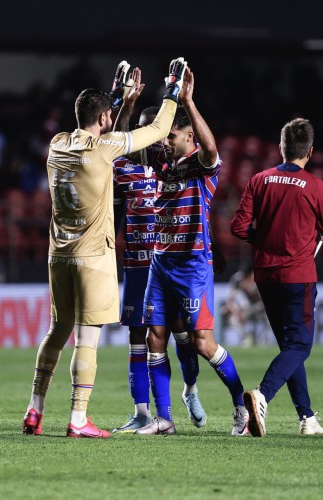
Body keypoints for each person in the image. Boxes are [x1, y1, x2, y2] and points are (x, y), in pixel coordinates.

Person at [21, 58, 187, 439]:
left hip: (58, 254)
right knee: (88, 337)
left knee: (55, 332)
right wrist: (173, 88)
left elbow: (92, 121)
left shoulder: (57, 143)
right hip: (92, 257)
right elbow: (160, 127)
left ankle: (35, 408)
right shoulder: (105, 148)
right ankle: (78, 418)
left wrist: (115, 97)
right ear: (104, 120)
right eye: (109, 116)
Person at [139, 67, 247, 436]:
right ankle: (165, 418)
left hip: (191, 266)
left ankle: (240, 404)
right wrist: (135, 100)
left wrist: (186, 100)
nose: (165, 141)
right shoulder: (160, 161)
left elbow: (213, 149)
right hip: (160, 261)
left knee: (202, 343)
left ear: (189, 136)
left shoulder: (202, 168)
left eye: (172, 135)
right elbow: (128, 139)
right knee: (154, 337)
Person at [231, 118, 323, 437]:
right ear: (310, 150)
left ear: (282, 148)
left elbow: (238, 227)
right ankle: (262, 395)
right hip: (297, 276)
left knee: (289, 346)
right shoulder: (315, 185)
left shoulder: (259, 180)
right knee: (300, 346)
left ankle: (307, 418)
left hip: (265, 275)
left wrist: (266, 239)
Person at [110, 98, 206, 432]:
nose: (158, 139)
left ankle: (191, 388)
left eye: (163, 132)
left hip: (174, 265)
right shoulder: (124, 169)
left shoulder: (181, 167)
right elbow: (111, 145)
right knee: (140, 337)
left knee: (184, 335)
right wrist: (126, 104)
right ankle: (142, 412)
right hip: (139, 268)